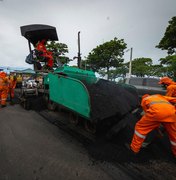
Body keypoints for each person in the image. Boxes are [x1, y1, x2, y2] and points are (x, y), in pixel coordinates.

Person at [130, 94, 176, 158]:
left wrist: (156, 128)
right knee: (174, 135)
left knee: (140, 127)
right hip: (171, 113)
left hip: (157, 113)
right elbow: (174, 99)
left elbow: (150, 117)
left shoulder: (144, 100)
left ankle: (134, 149)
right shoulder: (159, 96)